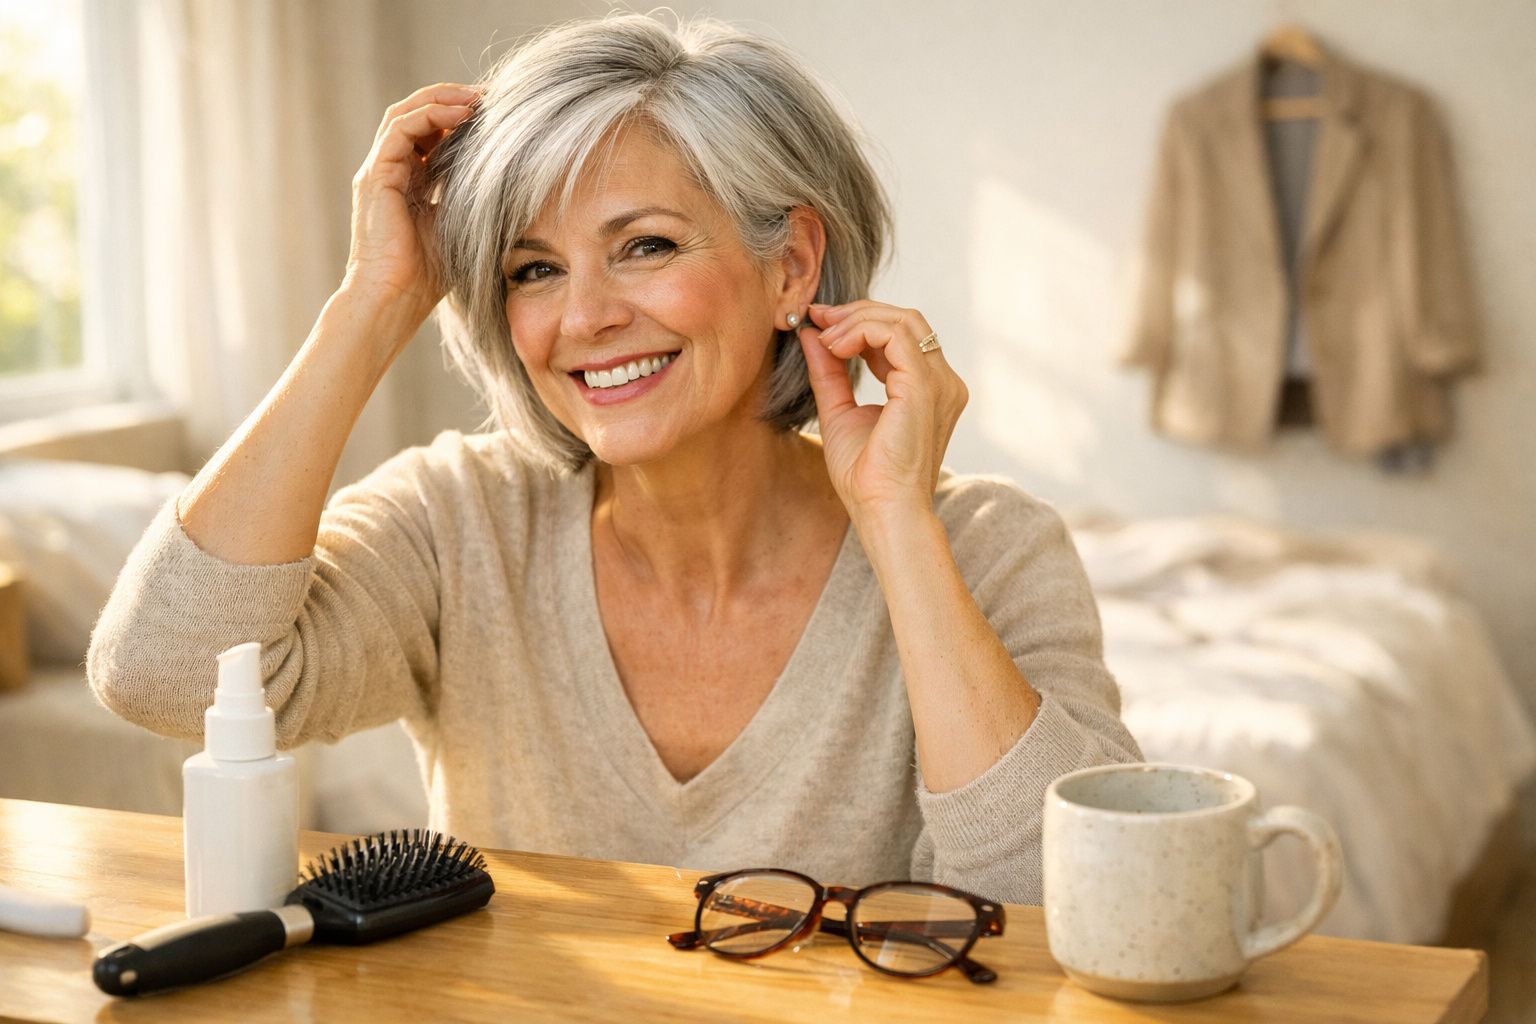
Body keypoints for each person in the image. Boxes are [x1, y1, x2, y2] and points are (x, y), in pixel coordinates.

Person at [88, 13, 1140, 904]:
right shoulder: (460, 523)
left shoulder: (992, 549)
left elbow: (1068, 896)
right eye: (533, 269)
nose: (584, 317)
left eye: (646, 245)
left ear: (792, 267)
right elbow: (163, 675)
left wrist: (898, 525)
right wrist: (374, 304)